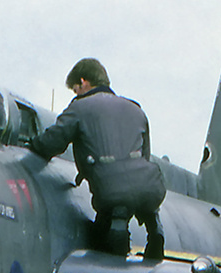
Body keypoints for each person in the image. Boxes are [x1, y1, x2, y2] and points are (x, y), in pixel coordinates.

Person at [29, 58, 166, 259]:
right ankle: (155, 230)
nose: (76, 95)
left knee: (104, 238)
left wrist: (33, 146)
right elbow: (144, 155)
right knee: (132, 197)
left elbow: (54, 142)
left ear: (84, 82)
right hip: (150, 189)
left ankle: (117, 252)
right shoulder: (136, 109)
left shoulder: (80, 107)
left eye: (75, 89)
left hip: (112, 191)